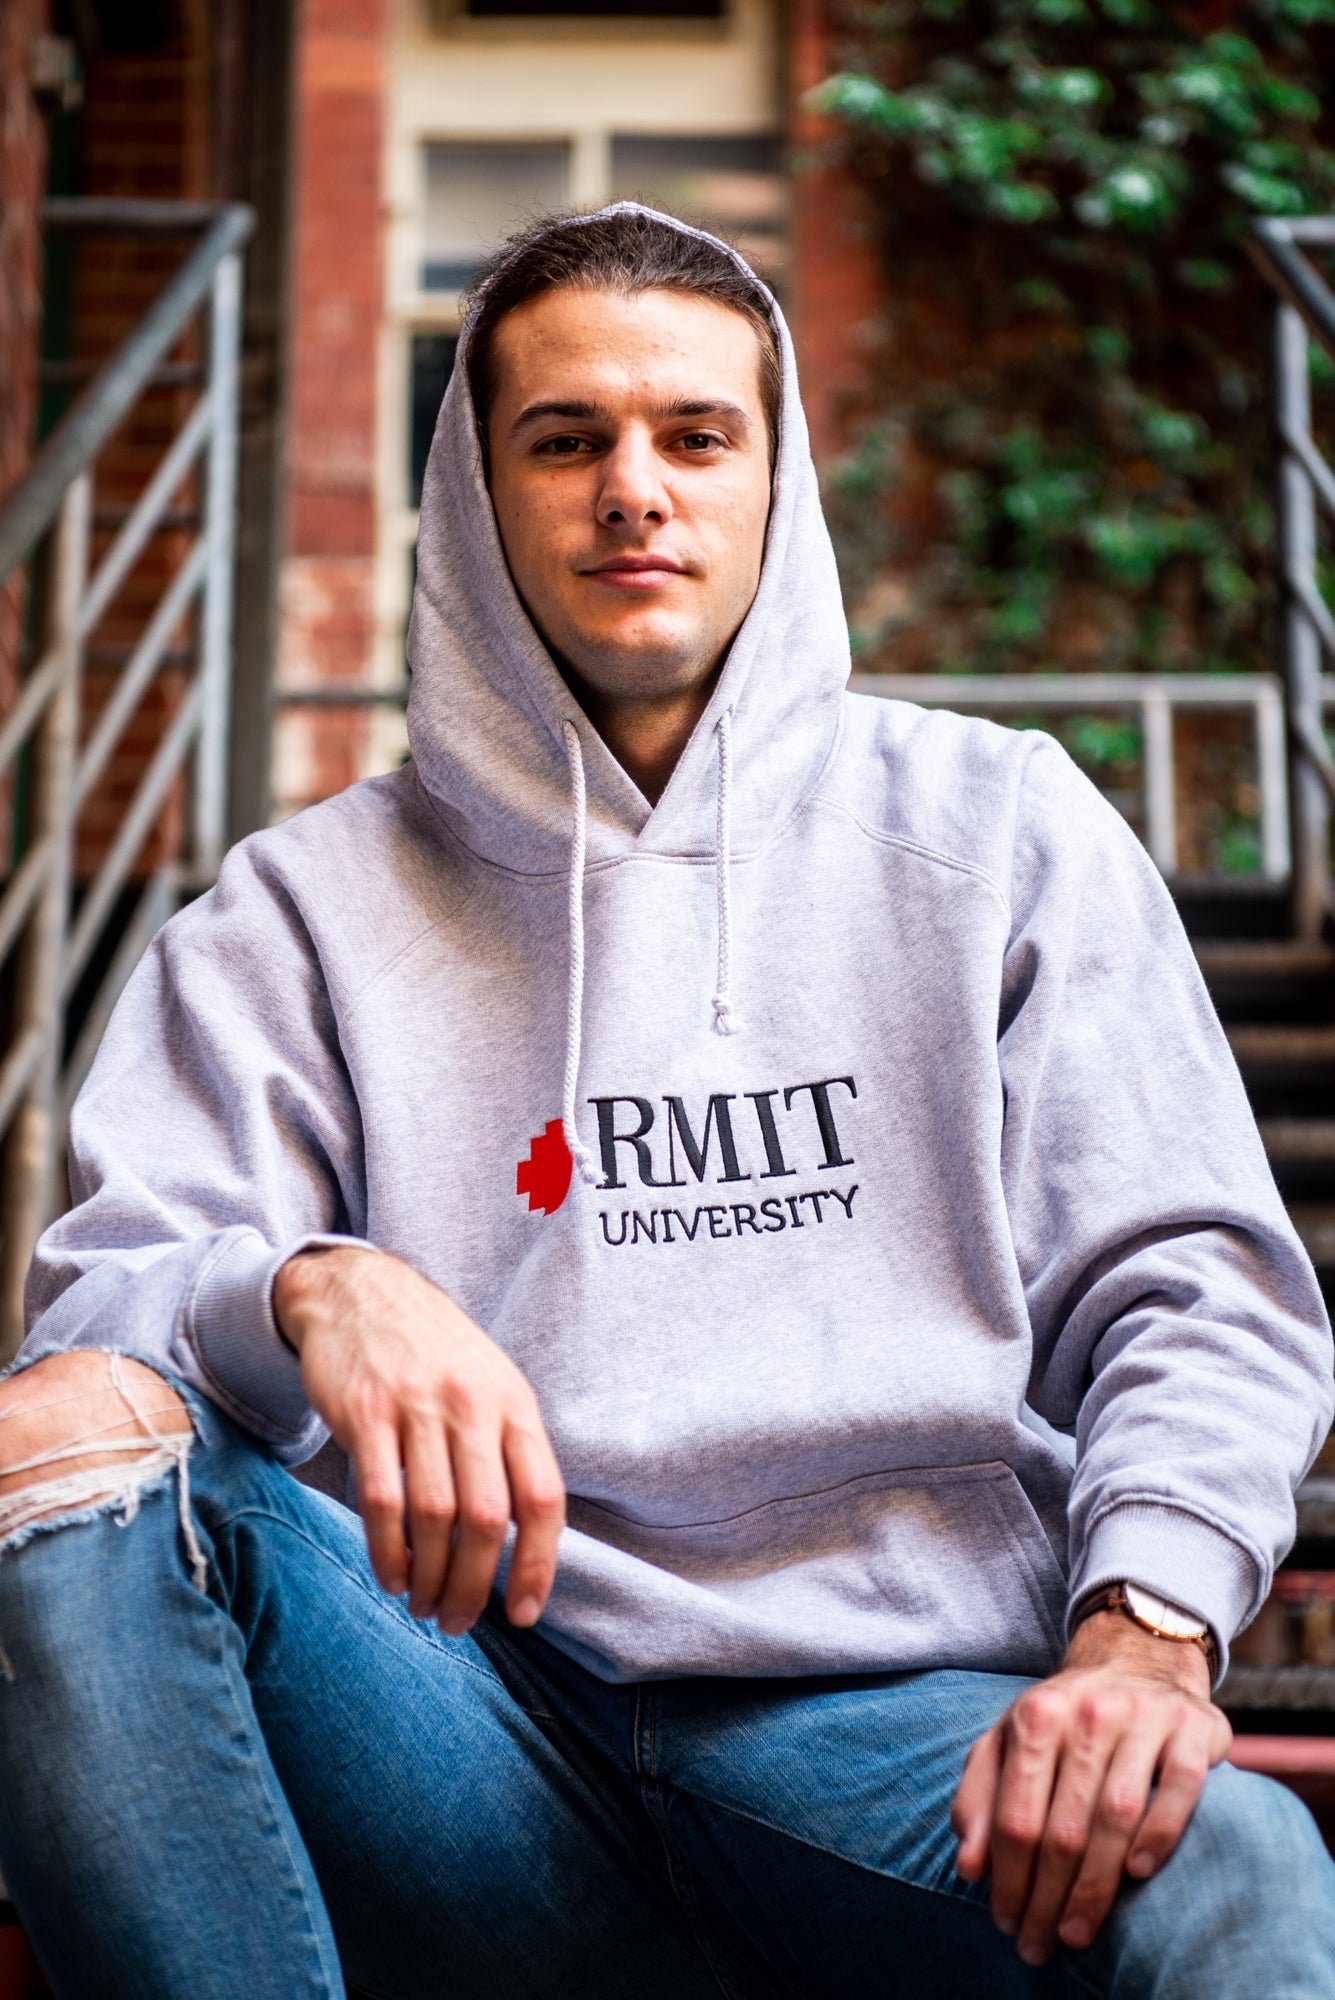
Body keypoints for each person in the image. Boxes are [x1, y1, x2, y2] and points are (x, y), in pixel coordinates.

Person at [0, 203, 1331, 2000]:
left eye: (695, 434)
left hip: (901, 1749)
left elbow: (1196, 1285)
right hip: (456, 1733)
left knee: (1235, 1855)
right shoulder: (290, 919)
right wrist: (308, 1285)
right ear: (476, 496)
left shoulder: (993, 830)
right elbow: (99, 1318)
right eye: (568, 440)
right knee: (62, 1439)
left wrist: (1148, 1632)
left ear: (775, 483)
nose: (637, 488)